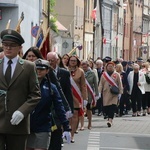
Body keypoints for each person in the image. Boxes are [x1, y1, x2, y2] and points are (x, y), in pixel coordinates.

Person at [0, 29, 41, 150]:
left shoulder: (28, 67)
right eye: (5, 45)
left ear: (19, 48)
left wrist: (22, 111)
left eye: (12, 46)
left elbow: (35, 95)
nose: (8, 48)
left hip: (18, 123)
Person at [26, 59, 71, 150]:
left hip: (43, 126)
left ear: (47, 71)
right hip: (27, 125)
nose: (38, 71)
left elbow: (59, 107)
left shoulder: (51, 87)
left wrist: (66, 127)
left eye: (41, 69)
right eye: (36, 69)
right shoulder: (25, 85)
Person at [47, 52, 73, 149]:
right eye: (48, 60)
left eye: (52, 61)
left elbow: (67, 92)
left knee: (58, 128)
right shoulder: (44, 71)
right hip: (49, 106)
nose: (50, 62)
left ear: (57, 61)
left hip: (60, 104)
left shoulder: (64, 73)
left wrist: (69, 108)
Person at [67, 55, 87, 142]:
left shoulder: (80, 72)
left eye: (74, 61)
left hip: (76, 97)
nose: (73, 62)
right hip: (66, 96)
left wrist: (84, 98)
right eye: (71, 60)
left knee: (75, 115)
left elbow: (83, 85)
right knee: (67, 116)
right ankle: (65, 132)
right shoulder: (64, 70)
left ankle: (72, 135)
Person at [99, 61, 123, 127]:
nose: (110, 68)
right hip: (106, 92)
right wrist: (99, 91)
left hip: (114, 93)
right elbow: (101, 83)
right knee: (106, 107)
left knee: (112, 106)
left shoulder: (117, 74)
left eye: (111, 66)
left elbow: (120, 84)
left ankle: (110, 120)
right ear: (106, 67)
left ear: (113, 67)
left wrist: (120, 92)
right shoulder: (104, 74)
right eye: (109, 66)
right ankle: (107, 116)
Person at [81, 60, 99, 129]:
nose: (84, 68)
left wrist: (97, 94)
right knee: (81, 109)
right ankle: (82, 125)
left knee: (89, 108)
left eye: (85, 66)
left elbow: (95, 84)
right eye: (83, 66)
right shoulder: (80, 73)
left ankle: (90, 123)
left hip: (89, 93)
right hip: (81, 93)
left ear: (88, 66)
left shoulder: (92, 73)